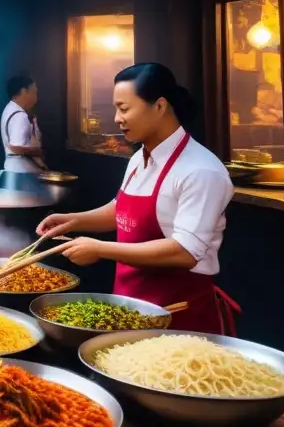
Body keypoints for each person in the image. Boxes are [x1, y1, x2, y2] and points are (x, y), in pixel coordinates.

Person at [37, 63, 237, 335]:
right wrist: (73, 221)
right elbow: (121, 211)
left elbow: (185, 252)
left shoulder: (201, 170)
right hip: (129, 309)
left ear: (159, 106)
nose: (117, 118)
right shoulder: (138, 158)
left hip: (176, 317)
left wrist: (100, 249)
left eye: (124, 108)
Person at [1, 74, 46, 173]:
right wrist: (38, 151)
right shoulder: (20, 116)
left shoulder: (9, 109)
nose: (36, 97)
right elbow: (17, 147)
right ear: (24, 91)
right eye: (34, 92)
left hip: (14, 171)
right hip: (22, 174)